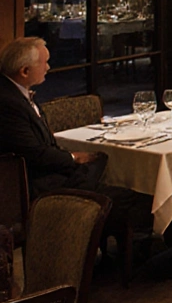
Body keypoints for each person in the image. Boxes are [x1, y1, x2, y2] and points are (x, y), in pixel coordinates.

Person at [0, 37, 109, 196]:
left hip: (48, 172)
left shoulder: (17, 92)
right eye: (44, 62)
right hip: (35, 187)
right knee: (134, 201)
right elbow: (34, 155)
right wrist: (72, 158)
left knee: (100, 160)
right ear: (24, 71)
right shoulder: (8, 103)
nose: (48, 67)